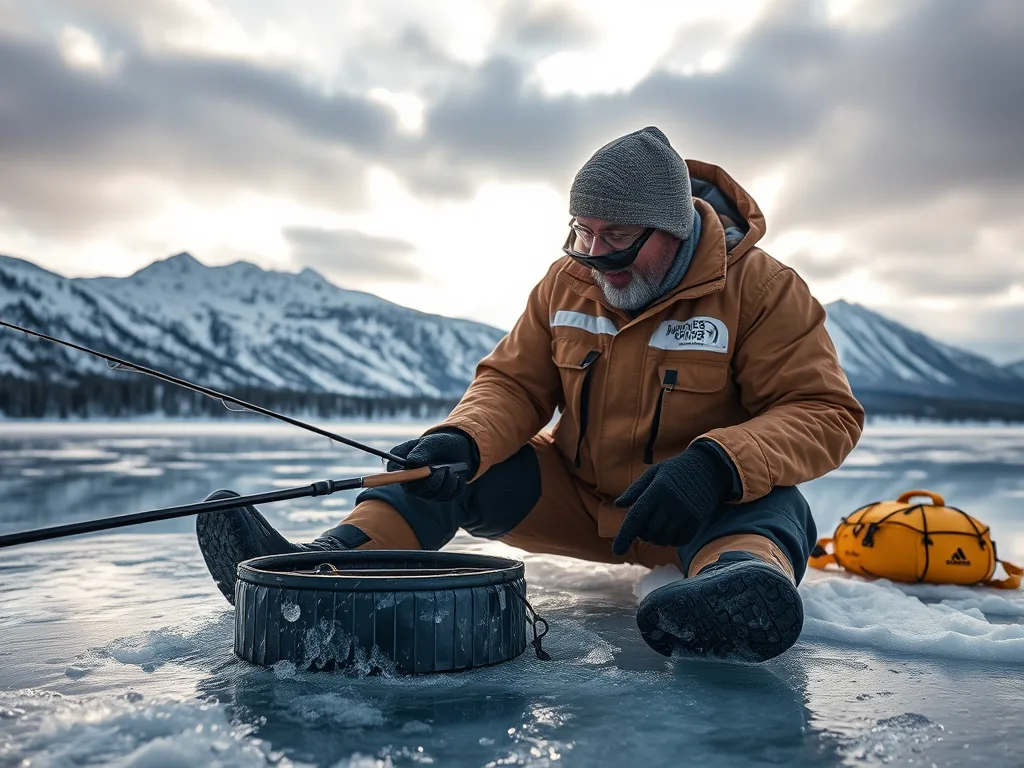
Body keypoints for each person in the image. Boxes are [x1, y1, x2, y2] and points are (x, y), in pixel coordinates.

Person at [197, 126, 864, 662]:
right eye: (583, 230)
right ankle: (325, 571)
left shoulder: (765, 292)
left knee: (774, 501)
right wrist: (463, 438)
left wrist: (715, 465)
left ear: (675, 228)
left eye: (618, 238)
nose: (595, 255)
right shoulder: (566, 281)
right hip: (574, 499)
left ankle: (731, 594)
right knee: (442, 470)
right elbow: (514, 383)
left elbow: (824, 413)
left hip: (692, 515)